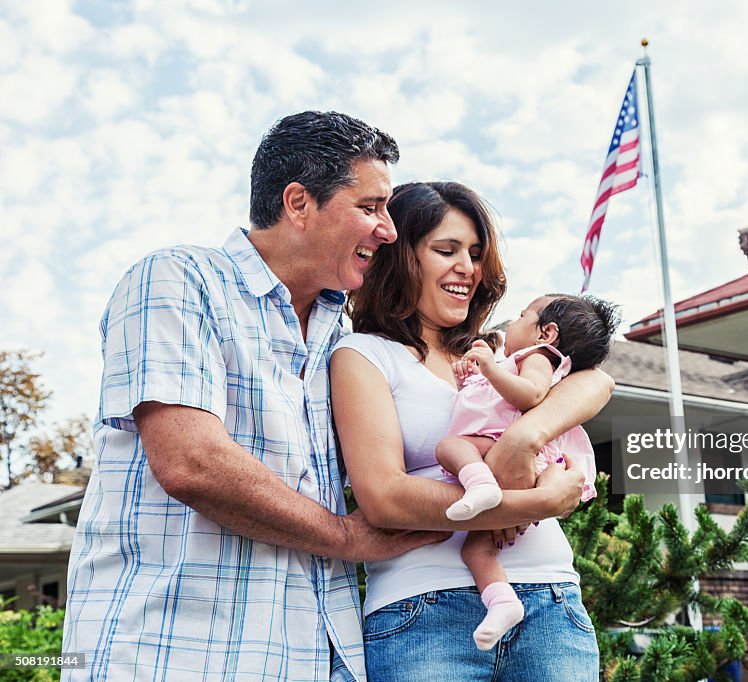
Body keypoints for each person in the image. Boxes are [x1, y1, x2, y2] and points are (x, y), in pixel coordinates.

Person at [61, 112, 540, 682]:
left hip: (314, 651)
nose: (387, 230)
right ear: (298, 203)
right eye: (370, 207)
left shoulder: (346, 337)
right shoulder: (179, 278)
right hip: (173, 650)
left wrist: (518, 470)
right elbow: (190, 461)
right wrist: (345, 535)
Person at [332, 181, 613, 681]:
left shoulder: (499, 350)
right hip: (425, 607)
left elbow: (597, 381)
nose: (468, 266)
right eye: (446, 250)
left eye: (476, 252)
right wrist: (539, 503)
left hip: (551, 599)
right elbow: (384, 498)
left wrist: (521, 442)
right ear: (400, 257)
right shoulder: (364, 355)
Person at [436, 293, 620, 649]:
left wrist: (489, 368)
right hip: (502, 450)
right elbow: (485, 403)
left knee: (449, 447)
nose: (512, 322)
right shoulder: (516, 363)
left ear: (546, 333)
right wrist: (471, 379)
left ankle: (481, 485)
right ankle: (503, 603)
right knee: (476, 549)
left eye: (522, 315)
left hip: (508, 452)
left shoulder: (537, 357)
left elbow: (531, 396)